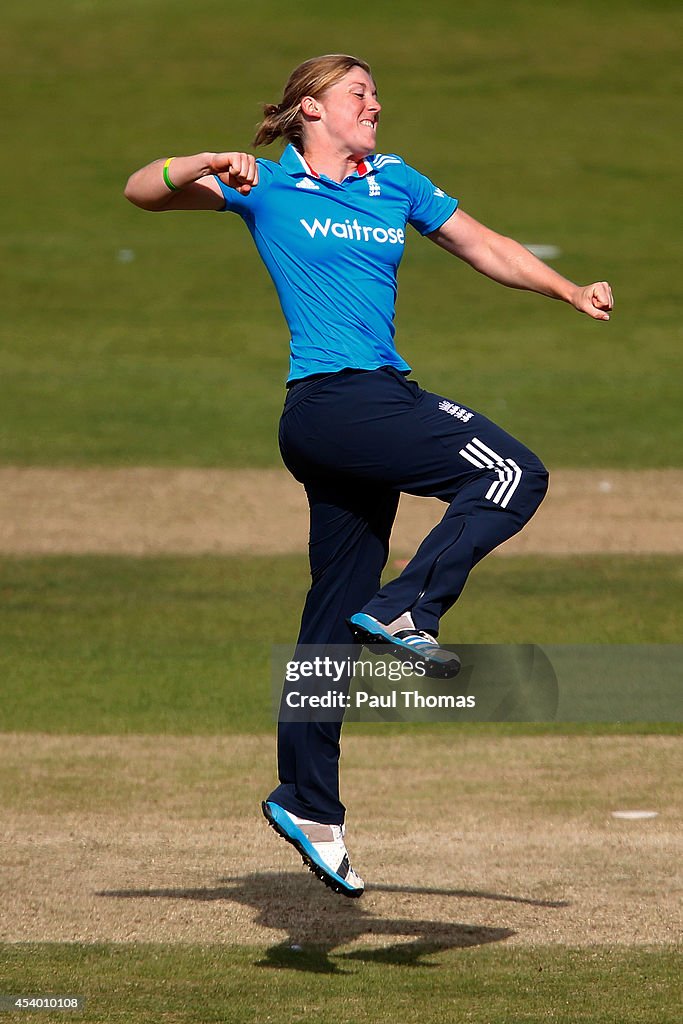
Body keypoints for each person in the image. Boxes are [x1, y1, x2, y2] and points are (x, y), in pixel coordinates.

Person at [125, 53, 613, 899]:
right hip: (333, 405)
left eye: (377, 95)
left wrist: (567, 291)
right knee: (510, 472)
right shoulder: (264, 185)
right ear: (309, 110)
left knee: (327, 622)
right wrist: (207, 160)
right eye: (359, 95)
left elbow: (481, 245)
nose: (375, 107)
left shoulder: (393, 181)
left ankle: (308, 805)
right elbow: (140, 189)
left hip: (358, 414)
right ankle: (408, 604)